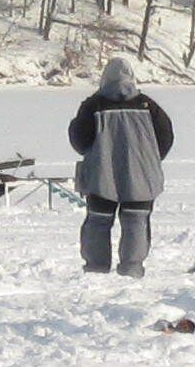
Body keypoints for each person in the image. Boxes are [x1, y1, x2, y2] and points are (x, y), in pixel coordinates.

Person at [68, 57, 174, 276]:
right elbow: (166, 137)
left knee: (98, 222)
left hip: (100, 177)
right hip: (141, 176)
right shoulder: (148, 106)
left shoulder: (93, 105)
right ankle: (132, 269)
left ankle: (96, 269)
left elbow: (79, 141)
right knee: (136, 222)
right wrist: (148, 161)